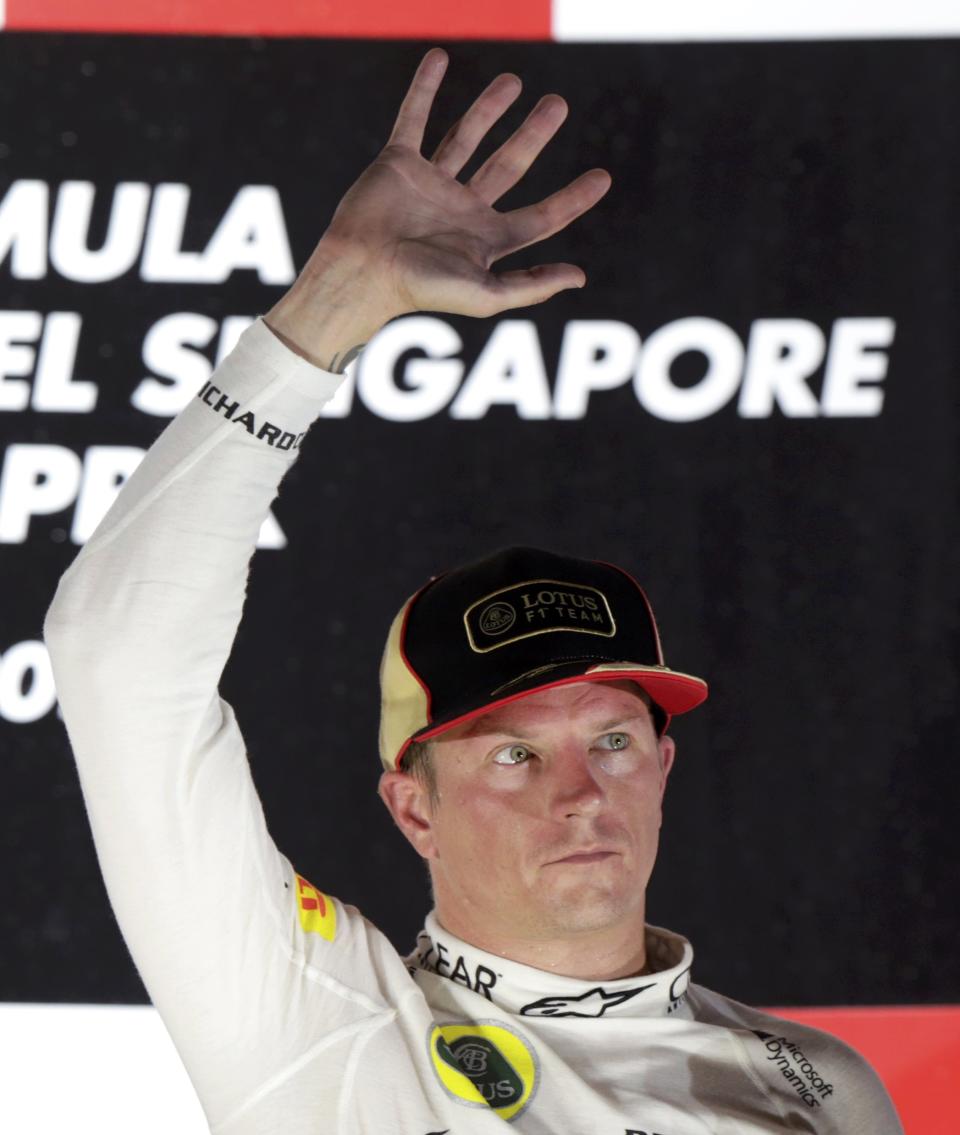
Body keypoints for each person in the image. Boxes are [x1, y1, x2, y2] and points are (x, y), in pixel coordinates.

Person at [45, 48, 903, 1135]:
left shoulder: (823, 1084)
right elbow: (116, 661)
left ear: (665, 764)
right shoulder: (322, 1026)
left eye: (614, 740)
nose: (582, 794)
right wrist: (332, 306)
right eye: (512, 752)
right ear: (415, 808)